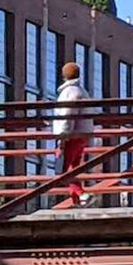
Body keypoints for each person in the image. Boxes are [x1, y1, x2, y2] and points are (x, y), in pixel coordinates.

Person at [53, 62, 95, 207]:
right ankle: (77, 200)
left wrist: (63, 136)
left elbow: (66, 115)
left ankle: (82, 194)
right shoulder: (82, 91)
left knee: (64, 169)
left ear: (63, 75)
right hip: (83, 134)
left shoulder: (68, 93)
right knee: (73, 167)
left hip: (72, 135)